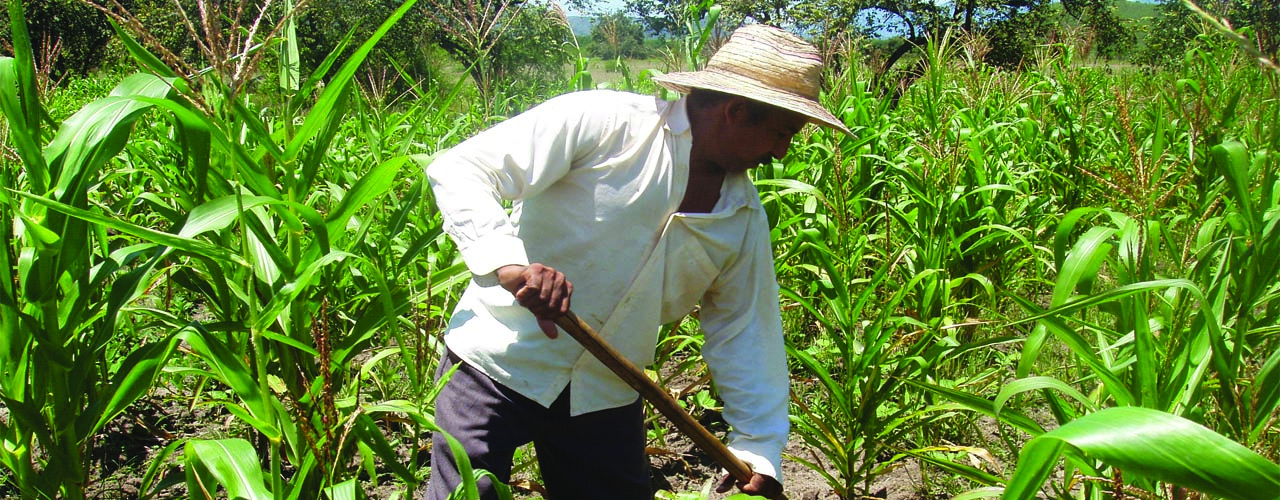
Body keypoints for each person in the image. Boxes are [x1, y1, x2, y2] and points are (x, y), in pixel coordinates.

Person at [423, 24, 851, 500]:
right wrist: (508, 263)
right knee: (465, 494)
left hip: (606, 389)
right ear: (736, 111)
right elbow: (463, 168)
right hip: (498, 362)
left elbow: (746, 332)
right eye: (780, 132)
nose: (780, 151)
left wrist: (759, 444)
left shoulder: (741, 218)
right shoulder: (602, 123)